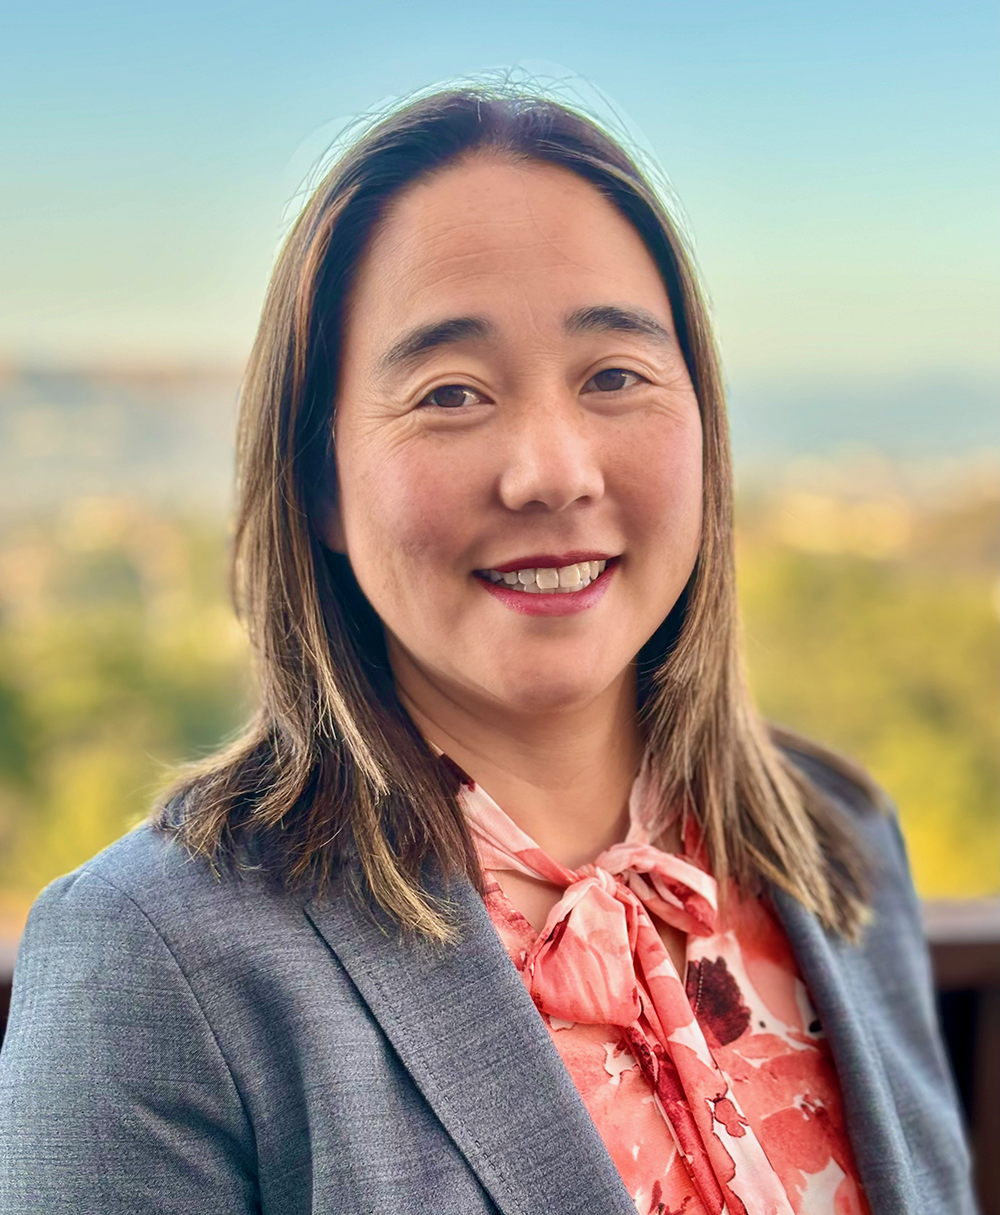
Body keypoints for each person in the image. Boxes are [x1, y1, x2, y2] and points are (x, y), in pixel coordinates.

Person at [0, 86, 975, 1215]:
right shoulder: (152, 960)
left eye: (615, 376)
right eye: (450, 394)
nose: (553, 471)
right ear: (318, 479)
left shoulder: (837, 843)